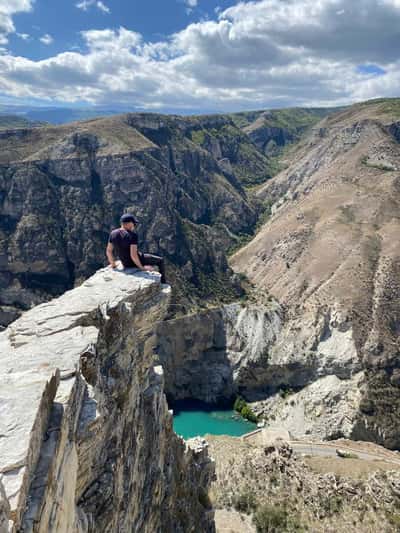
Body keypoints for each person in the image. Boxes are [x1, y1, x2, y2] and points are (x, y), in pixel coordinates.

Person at [106, 213, 167, 284]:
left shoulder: (113, 233)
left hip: (125, 263)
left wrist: (113, 264)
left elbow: (109, 251)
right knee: (160, 260)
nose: (134, 225)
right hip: (136, 261)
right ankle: (163, 283)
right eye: (133, 223)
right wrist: (142, 268)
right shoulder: (132, 235)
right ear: (129, 223)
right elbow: (133, 255)